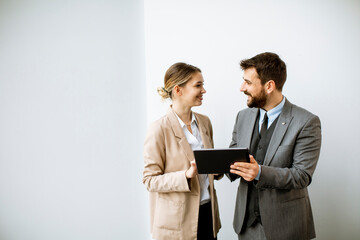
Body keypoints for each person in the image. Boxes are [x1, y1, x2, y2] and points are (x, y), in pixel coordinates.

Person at [228, 52, 321, 240]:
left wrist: (260, 172)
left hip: (286, 226)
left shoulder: (306, 122)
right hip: (246, 226)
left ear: (269, 86)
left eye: (248, 82)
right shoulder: (243, 116)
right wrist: (215, 167)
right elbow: (233, 155)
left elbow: (302, 176)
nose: (241, 88)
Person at [143, 62, 221, 240]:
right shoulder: (158, 129)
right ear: (178, 90)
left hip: (208, 214)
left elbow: (210, 167)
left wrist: (217, 168)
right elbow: (150, 180)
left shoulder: (205, 122)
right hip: (177, 224)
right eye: (198, 85)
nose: (204, 91)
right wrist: (186, 175)